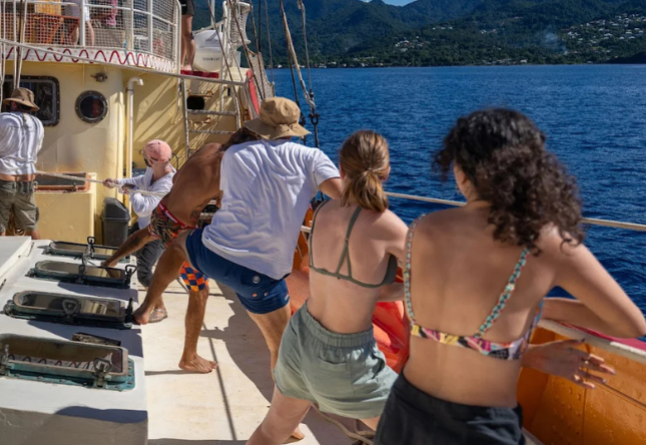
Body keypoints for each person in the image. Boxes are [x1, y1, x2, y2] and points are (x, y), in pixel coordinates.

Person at [247, 130, 620, 445]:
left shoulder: (325, 210)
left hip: (300, 341)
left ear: (341, 169)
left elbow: (349, 284)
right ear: (387, 171)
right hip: (346, 365)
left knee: (270, 432)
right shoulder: (391, 226)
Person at [374, 109, 646, 445]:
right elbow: (631, 325)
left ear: (460, 171)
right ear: (532, 172)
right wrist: (541, 308)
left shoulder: (422, 229)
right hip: (478, 428)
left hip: (404, 411)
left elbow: (436, 326)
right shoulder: (545, 240)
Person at [133, 98, 343, 377]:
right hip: (259, 277)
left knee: (179, 242)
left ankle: (148, 305)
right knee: (280, 351)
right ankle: (285, 419)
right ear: (294, 129)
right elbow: (345, 199)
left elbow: (226, 200)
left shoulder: (234, 154)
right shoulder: (311, 158)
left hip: (213, 254)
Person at [103, 127, 262, 373]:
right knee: (200, 290)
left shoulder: (208, 147)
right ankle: (189, 356)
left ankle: (109, 264)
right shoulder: (230, 169)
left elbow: (178, 180)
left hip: (162, 212)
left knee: (146, 234)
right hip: (180, 228)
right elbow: (225, 203)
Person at [104, 140, 175, 322]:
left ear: (151, 160)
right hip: (144, 226)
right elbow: (140, 181)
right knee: (126, 250)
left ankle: (160, 308)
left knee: (144, 271)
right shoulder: (153, 170)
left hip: (158, 232)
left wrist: (133, 192)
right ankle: (109, 269)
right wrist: (118, 182)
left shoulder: (167, 184)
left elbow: (143, 208)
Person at [0, 87, 45, 239]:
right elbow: (37, 148)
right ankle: (39, 255)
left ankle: (0, 259)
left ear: (14, 104)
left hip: (3, 181)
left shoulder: (2, 119)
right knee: (31, 225)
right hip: (26, 182)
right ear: (30, 107)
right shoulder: (38, 124)